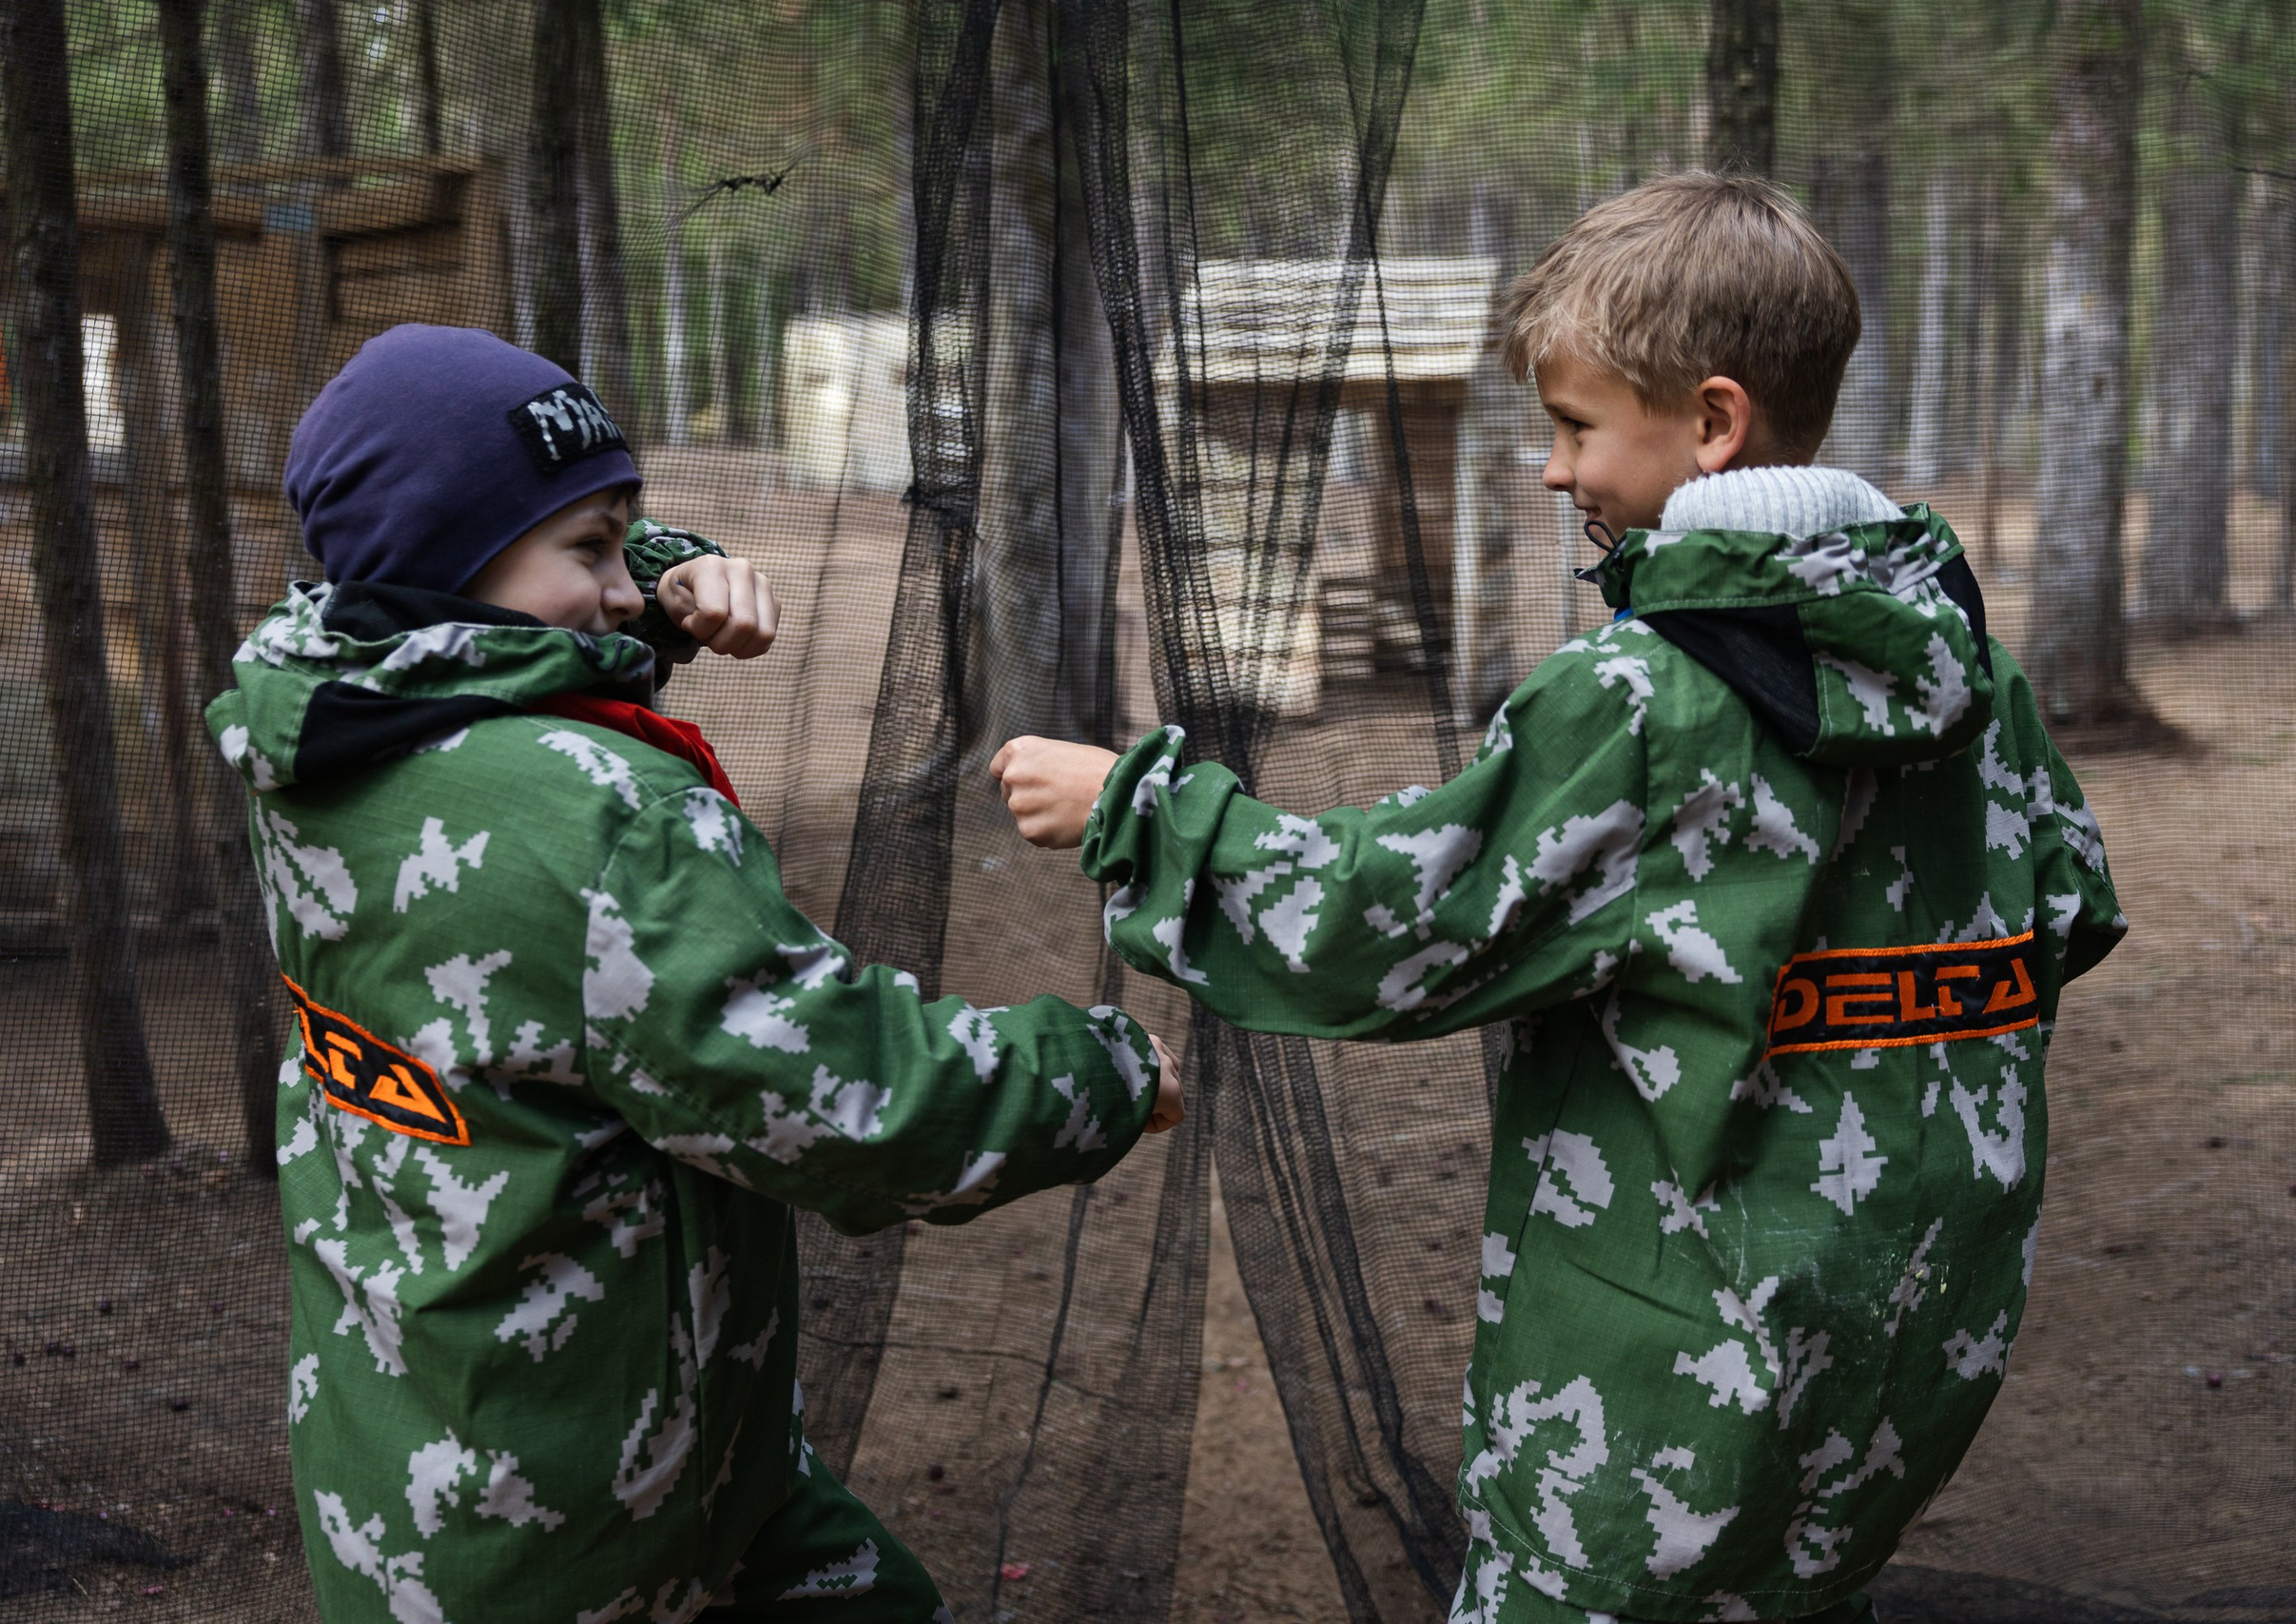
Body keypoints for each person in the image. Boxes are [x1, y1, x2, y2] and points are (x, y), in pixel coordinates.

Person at [992, 172, 2124, 1623]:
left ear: (1713, 423)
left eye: (1577, 425)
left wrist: (1138, 816)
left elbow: (1385, 927)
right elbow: (2064, 918)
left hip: (1661, 1385)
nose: (1550, 470)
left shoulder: (1648, 702)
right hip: (1907, 1345)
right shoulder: (1980, 678)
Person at [211, 323, 1179, 1623]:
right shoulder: (607, 819)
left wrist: (653, 572)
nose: (623, 582)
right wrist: (1102, 1070)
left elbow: (484, 632)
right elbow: (853, 1105)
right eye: (592, 547)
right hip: (589, 1528)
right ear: (451, 557)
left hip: (433, 1468)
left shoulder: (313, 722)